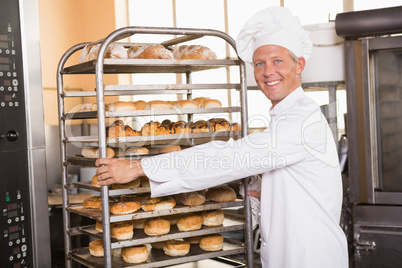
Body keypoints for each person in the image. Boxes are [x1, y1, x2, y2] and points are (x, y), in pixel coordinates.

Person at [95, 6, 348, 268]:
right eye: (259, 63)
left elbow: (230, 156)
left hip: (312, 257)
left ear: (300, 65)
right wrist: (265, 191)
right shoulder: (283, 118)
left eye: (278, 61)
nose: (267, 71)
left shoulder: (301, 121)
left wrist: (139, 167)